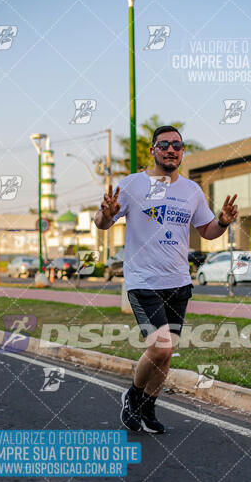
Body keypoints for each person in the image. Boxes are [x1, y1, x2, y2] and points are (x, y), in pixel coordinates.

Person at [95, 125, 238, 433]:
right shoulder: (133, 185)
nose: (172, 149)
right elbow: (103, 222)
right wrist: (106, 215)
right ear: (153, 150)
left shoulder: (191, 191)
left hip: (178, 282)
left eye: (177, 145)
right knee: (160, 348)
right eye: (165, 145)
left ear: (182, 151)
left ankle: (148, 407)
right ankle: (133, 394)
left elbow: (207, 231)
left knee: (167, 352)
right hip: (143, 281)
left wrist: (223, 222)